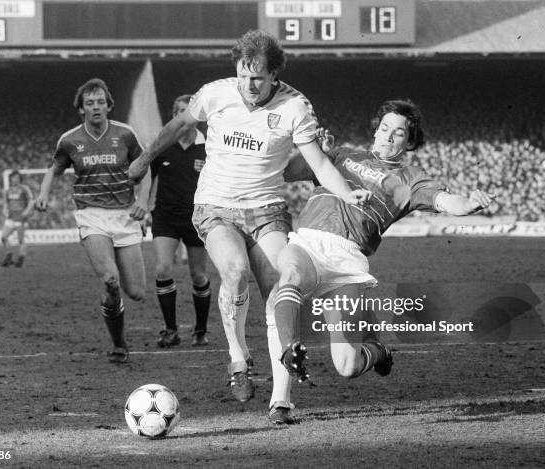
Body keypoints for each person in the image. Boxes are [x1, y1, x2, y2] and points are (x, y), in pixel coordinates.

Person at [128, 30, 370, 423]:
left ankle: (281, 400)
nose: (248, 85)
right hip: (216, 207)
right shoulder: (215, 93)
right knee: (235, 271)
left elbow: (319, 163)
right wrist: (142, 161)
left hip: (267, 210)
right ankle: (238, 360)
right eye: (242, 74)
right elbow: (176, 127)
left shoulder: (295, 106)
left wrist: (346, 193)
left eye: (257, 77)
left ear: (274, 74)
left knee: (282, 289)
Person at [274, 99, 495, 391]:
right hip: (309, 242)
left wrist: (467, 204)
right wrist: (319, 151)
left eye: (399, 133)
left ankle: (379, 351)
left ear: (410, 142)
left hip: (347, 260)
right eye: (385, 127)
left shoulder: (410, 180)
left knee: (347, 366)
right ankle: (290, 348)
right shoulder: (341, 155)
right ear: (376, 129)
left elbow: (445, 201)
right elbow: (289, 172)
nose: (388, 136)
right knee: (289, 274)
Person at [36, 78, 148, 364]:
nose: (96, 107)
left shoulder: (125, 135)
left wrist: (142, 202)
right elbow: (54, 170)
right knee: (110, 280)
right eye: (89, 103)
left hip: (124, 215)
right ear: (81, 109)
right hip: (91, 215)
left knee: (135, 292)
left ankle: (112, 299)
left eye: (100, 102)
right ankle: (119, 342)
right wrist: (43, 195)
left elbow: (145, 168)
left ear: (108, 106)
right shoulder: (70, 140)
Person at [149, 94, 211, 348]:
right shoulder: (163, 144)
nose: (183, 115)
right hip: (165, 216)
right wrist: (142, 203)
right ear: (173, 116)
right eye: (179, 111)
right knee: (163, 268)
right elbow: (146, 175)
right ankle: (170, 330)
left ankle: (200, 330)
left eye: (188, 110)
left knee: (198, 275)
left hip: (196, 219)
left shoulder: (209, 147)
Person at [0, 170, 35, 267]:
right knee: (3, 237)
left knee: (20, 240)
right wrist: (4, 209)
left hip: (20, 218)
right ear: (10, 179)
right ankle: (9, 256)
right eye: (13, 177)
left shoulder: (24, 188)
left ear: (20, 179)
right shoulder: (8, 190)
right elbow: (6, 202)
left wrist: (27, 211)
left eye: (16, 177)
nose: (14, 179)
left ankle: (20, 260)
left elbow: (32, 200)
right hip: (10, 217)